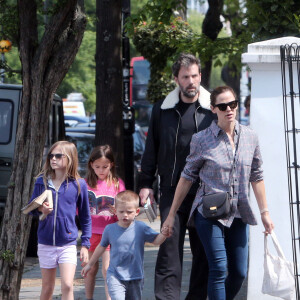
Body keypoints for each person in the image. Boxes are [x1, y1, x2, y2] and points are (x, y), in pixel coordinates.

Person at [162, 86, 275, 300]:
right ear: (213, 109)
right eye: (223, 106)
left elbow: (257, 176)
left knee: (239, 273)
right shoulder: (202, 139)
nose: (229, 110)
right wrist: (170, 215)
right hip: (209, 212)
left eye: (232, 104)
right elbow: (186, 178)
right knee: (219, 267)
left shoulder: (250, 137)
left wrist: (265, 212)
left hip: (238, 212)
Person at [139, 52, 214, 300]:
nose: (191, 81)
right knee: (168, 250)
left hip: (205, 190)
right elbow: (152, 148)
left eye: (194, 76)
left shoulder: (212, 108)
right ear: (176, 79)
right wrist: (146, 184)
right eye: (185, 77)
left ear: (200, 76)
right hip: (172, 189)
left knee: (203, 252)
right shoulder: (162, 109)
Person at [28, 141, 91, 300]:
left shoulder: (79, 184)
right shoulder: (41, 182)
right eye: (51, 156)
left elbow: (85, 216)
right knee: (47, 288)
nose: (53, 159)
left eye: (58, 156)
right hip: (45, 242)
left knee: (68, 285)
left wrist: (85, 244)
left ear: (69, 158)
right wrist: (41, 210)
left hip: (67, 243)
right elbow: (31, 210)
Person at [81, 190, 168, 300]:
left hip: (135, 276)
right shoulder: (110, 229)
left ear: (137, 211)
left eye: (129, 212)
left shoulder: (141, 227)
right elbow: (101, 247)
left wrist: (164, 234)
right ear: (115, 211)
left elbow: (156, 241)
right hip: (115, 275)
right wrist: (90, 264)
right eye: (121, 212)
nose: (125, 215)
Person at [84, 145, 125, 300]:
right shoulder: (86, 183)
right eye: (97, 167)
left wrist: (117, 211)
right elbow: (77, 209)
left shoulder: (117, 183)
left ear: (111, 165)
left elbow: (124, 205)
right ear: (91, 165)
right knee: (90, 268)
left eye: (105, 167)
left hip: (110, 231)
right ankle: (89, 297)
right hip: (91, 231)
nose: (101, 170)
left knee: (108, 269)